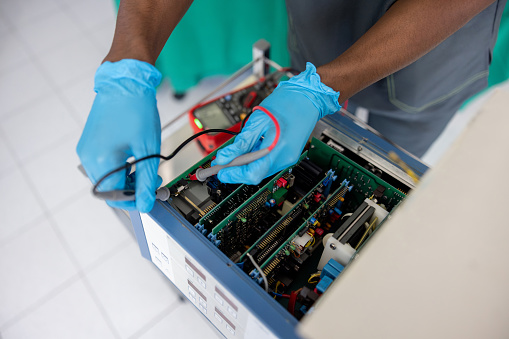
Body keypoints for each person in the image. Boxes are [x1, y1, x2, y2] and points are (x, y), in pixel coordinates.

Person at [77, 0, 506, 213]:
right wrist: (127, 65)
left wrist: (322, 89)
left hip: (429, 47)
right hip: (320, 22)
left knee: (392, 159)